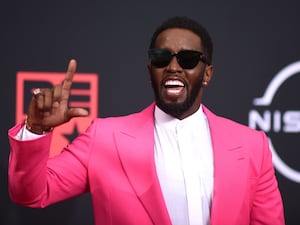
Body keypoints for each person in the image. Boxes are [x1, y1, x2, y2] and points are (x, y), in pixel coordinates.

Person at [8, 16, 285, 225]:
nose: (173, 67)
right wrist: (36, 129)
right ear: (150, 69)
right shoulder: (104, 138)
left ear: (207, 74)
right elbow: (32, 194)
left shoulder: (252, 146)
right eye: (161, 58)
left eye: (188, 59)